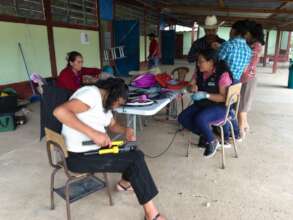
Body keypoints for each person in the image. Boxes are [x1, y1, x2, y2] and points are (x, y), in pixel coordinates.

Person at [53, 78, 165, 220]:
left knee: (132, 151)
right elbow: (59, 112)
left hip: (91, 151)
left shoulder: (104, 103)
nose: (116, 107)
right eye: (118, 103)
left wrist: (126, 130)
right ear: (112, 93)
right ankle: (152, 215)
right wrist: (94, 134)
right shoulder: (91, 94)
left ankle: (124, 184)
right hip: (78, 157)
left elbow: (112, 125)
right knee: (135, 159)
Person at [178, 49, 233, 158]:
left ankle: (212, 141)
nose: (198, 65)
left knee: (200, 118)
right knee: (183, 118)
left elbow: (224, 97)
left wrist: (205, 95)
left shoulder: (222, 74)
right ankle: (207, 134)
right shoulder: (199, 72)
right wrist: (190, 88)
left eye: (201, 62)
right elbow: (190, 85)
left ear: (211, 62)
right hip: (203, 104)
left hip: (220, 107)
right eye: (197, 62)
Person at [238, 23, 265, 138]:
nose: (245, 35)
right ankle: (245, 127)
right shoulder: (253, 44)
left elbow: (248, 63)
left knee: (242, 107)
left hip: (247, 78)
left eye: (247, 33)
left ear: (252, 33)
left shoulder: (256, 46)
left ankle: (240, 132)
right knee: (243, 104)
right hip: (248, 77)